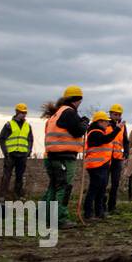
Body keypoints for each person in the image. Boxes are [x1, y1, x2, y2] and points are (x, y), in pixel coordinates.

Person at [41, 85, 89, 225]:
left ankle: (45, 216)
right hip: (64, 157)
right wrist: (85, 123)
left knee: (53, 187)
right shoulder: (69, 112)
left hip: (52, 156)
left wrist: (81, 122)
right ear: (77, 100)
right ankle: (60, 219)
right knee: (64, 188)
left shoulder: (57, 112)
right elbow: (77, 131)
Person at [82, 110, 118, 221]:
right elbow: (106, 139)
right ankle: (88, 213)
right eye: (106, 121)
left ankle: (99, 212)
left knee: (101, 190)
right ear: (99, 121)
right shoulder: (95, 132)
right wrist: (118, 129)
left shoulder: (98, 131)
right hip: (96, 165)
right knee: (94, 190)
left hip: (102, 165)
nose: (107, 123)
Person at [0, 103, 34, 200]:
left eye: (25, 113)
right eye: (22, 112)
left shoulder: (27, 126)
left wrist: (28, 151)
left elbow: (30, 139)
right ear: (17, 112)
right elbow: (1, 139)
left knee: (20, 176)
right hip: (11, 155)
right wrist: (5, 152)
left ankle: (18, 195)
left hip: (22, 155)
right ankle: (2, 196)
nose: (24, 114)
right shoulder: (9, 125)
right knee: (6, 176)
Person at [106, 104, 128, 211]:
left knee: (115, 184)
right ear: (110, 114)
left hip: (117, 159)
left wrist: (126, 153)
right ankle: (100, 207)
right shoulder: (105, 124)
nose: (117, 116)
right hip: (106, 159)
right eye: (115, 114)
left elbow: (125, 141)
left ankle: (112, 207)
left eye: (119, 114)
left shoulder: (123, 126)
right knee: (103, 184)